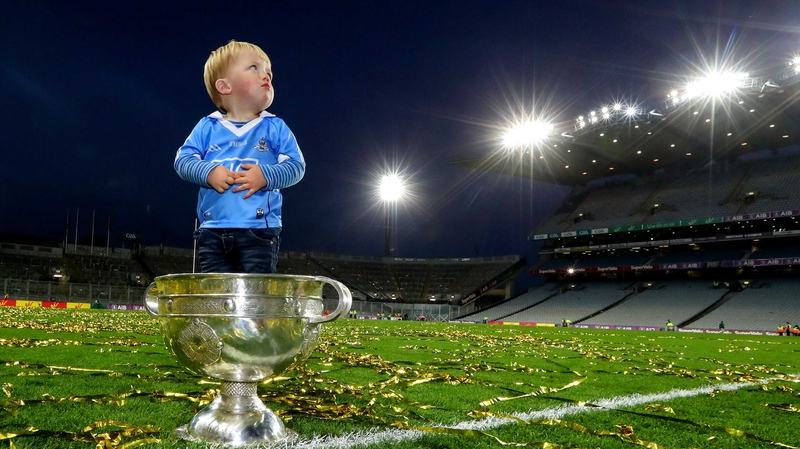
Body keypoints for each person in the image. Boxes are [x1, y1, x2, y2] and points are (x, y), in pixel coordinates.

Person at [174, 40, 305, 274]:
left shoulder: (274, 126)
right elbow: (183, 161)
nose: (266, 75)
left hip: (260, 231)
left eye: (269, 72)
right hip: (211, 230)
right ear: (224, 86)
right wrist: (209, 172)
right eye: (254, 67)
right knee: (215, 295)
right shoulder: (208, 126)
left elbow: (296, 166)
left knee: (256, 295)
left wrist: (266, 175)